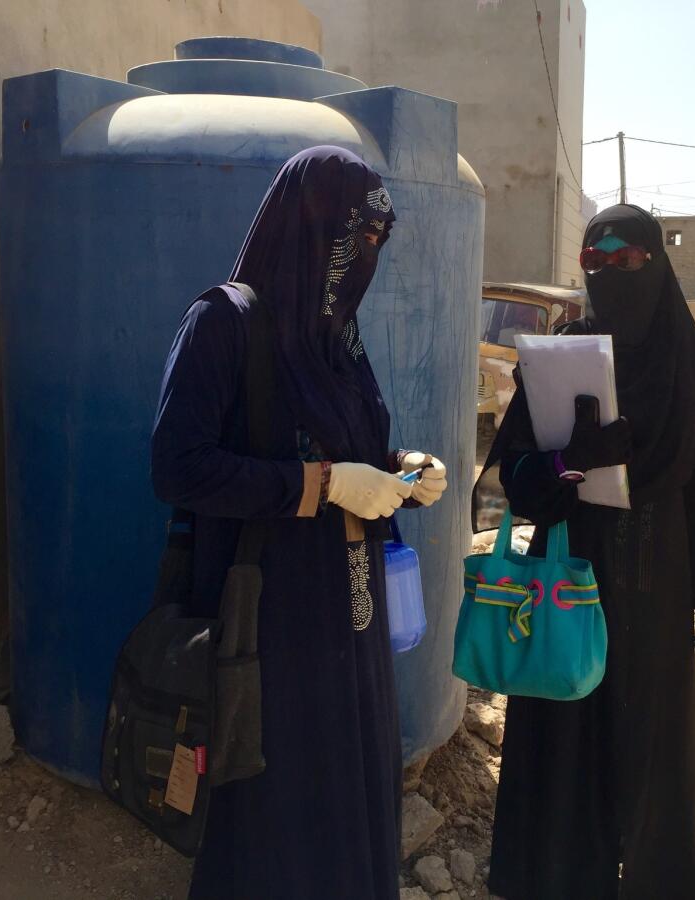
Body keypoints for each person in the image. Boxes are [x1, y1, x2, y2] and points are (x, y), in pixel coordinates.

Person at [151, 146, 447, 900]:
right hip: (269, 615)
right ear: (308, 226)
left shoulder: (336, 340)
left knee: (349, 775)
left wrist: (403, 468)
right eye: (356, 234)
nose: (366, 255)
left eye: (381, 239)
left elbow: (354, 449)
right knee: (274, 794)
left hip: (350, 613)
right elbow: (178, 468)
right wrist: (320, 486)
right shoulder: (224, 322)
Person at [477, 204, 695, 899]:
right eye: (597, 261)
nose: (612, 273)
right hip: (574, 576)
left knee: (658, 739)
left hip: (662, 579)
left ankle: (662, 880)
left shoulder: (687, 365)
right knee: (569, 727)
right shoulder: (562, 358)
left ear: (656, 263)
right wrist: (573, 460)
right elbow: (519, 480)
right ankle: (564, 878)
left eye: (629, 260)